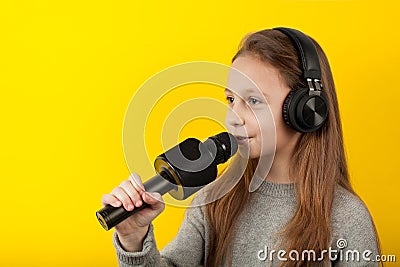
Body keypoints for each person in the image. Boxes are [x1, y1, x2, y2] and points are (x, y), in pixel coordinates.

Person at [101, 28, 381, 266]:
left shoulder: (346, 218)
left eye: (254, 101)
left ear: (307, 111)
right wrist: (133, 239)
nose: (233, 118)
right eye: (231, 100)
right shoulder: (212, 203)